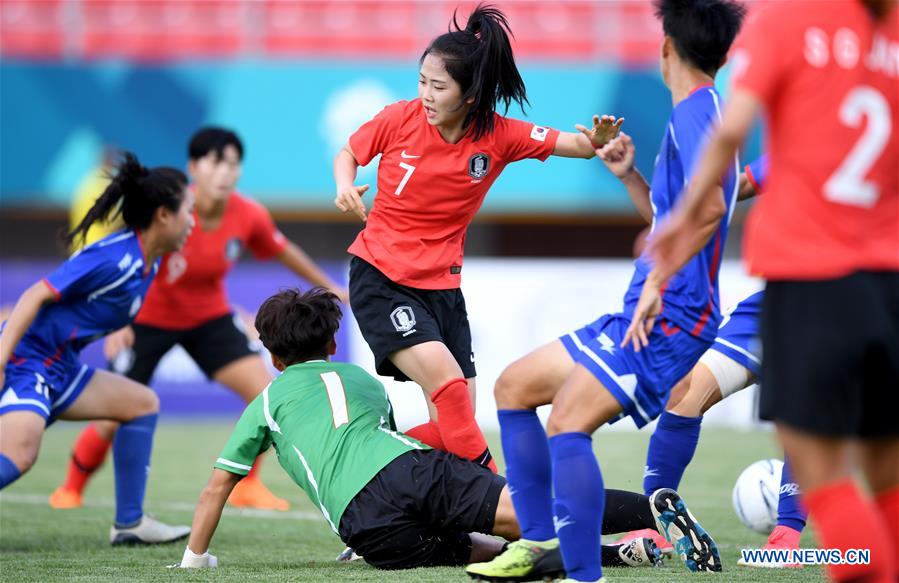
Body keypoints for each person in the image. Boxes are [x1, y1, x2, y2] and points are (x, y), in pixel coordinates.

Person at [467, 1, 746, 581]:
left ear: (667, 48)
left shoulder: (699, 116)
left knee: (568, 424)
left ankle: (581, 573)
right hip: (649, 308)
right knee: (513, 386)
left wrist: (657, 284)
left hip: (671, 315)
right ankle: (536, 541)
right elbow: (677, 217)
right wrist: (630, 178)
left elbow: (714, 209)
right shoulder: (701, 114)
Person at [171, 288, 713, 575]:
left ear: (270, 353)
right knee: (530, 511)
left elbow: (218, 485)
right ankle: (652, 511)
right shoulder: (361, 379)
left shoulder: (264, 401)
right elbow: (389, 443)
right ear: (332, 346)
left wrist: (196, 559)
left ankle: (618, 557)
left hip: (368, 531)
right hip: (409, 470)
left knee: (475, 546)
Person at [641, 0, 899, 580]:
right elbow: (751, 177)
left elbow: (731, 134)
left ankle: (787, 535)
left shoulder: (792, 26)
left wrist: (679, 222)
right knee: (883, 479)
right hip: (879, 286)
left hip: (807, 280)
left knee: (818, 455)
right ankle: (657, 514)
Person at [333, 4, 623, 473]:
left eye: (439, 86)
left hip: (442, 289)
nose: (426, 94)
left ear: (470, 95)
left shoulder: (498, 135)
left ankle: (369, 471)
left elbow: (574, 145)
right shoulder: (398, 118)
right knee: (449, 389)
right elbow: (349, 151)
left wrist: (597, 140)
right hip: (381, 276)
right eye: (422, 81)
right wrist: (345, 186)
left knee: (455, 424)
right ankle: (499, 492)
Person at [49, 127, 348, 512]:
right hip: (147, 318)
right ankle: (71, 488)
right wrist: (120, 320)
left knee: (267, 398)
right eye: (217, 162)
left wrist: (329, 286)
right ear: (193, 167)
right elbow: (125, 261)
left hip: (208, 318)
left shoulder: (247, 213)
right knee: (111, 414)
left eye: (235, 163)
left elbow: (283, 250)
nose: (227, 172)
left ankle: (246, 485)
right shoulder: (169, 210)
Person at [0, 152, 193, 545]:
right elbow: (35, 295)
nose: (193, 220)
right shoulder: (115, 256)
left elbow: (89, 306)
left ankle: (130, 524)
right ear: (162, 215)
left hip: (61, 366)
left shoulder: (147, 260)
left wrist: (114, 328)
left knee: (140, 402)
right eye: (188, 210)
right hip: (30, 361)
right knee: (20, 455)